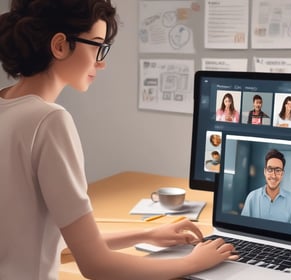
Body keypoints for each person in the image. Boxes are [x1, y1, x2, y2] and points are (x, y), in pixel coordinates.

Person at [0, 1, 237, 279]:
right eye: (97, 45)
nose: (101, 62)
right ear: (60, 46)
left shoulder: (9, 109)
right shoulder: (49, 120)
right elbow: (96, 265)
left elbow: (56, 239)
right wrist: (193, 263)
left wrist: (147, 233)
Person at [241, 149, 291, 225]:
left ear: (282, 174)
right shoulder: (252, 197)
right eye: (270, 169)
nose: (273, 175)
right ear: (265, 172)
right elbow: (243, 228)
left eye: (277, 170)